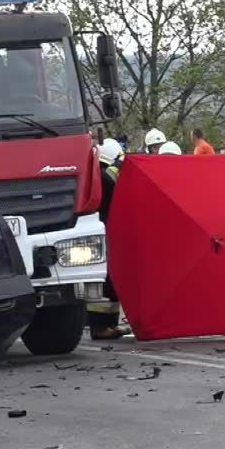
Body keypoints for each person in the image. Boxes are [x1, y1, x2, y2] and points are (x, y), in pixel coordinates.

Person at [89, 138, 130, 341]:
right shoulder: (104, 178)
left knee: (104, 280)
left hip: (96, 230)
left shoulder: (93, 174)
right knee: (108, 282)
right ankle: (103, 326)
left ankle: (104, 325)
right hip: (105, 230)